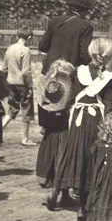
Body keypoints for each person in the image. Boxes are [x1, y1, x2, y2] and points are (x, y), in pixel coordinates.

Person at [55, 37, 112, 221]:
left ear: (91, 53)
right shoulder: (111, 78)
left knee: (80, 161)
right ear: (108, 57)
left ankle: (81, 209)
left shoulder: (78, 72)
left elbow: (70, 98)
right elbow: (110, 107)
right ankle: (94, 211)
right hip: (97, 122)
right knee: (96, 164)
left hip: (77, 121)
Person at [36, 60, 76, 194]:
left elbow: (43, 121)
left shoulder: (47, 93)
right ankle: (62, 193)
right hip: (65, 132)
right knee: (63, 160)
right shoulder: (70, 96)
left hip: (50, 133)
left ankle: (57, 191)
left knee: (52, 160)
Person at [38, 0, 94, 74]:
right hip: (69, 71)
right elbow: (84, 55)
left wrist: (55, 53)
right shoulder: (85, 27)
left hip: (50, 69)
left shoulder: (55, 21)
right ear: (84, 11)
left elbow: (42, 46)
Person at [1, 26, 37, 146]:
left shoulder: (9, 49)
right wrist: (30, 86)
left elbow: (4, 68)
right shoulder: (26, 51)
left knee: (12, 108)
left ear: (17, 36)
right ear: (30, 37)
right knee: (26, 109)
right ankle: (25, 138)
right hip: (22, 84)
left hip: (10, 83)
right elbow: (26, 72)